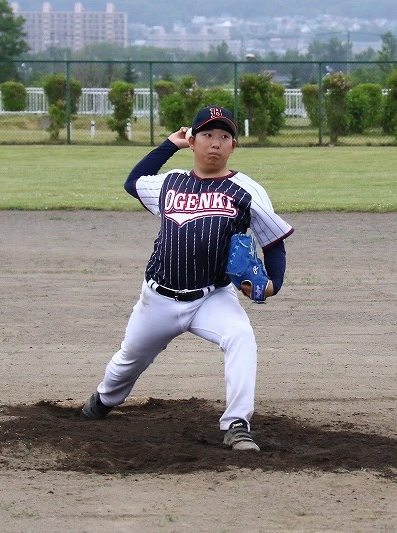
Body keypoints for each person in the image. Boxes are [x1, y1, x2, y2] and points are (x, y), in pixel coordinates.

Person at [80, 105, 294, 450]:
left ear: (233, 145)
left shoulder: (246, 190)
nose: (215, 142)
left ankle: (237, 424)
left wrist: (273, 284)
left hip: (212, 297)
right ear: (192, 141)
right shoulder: (170, 182)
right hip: (158, 299)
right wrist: (169, 145)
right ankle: (104, 400)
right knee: (127, 362)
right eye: (207, 135)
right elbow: (133, 182)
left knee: (240, 337)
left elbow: (273, 240)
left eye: (224, 136)